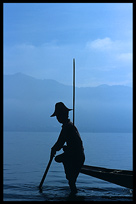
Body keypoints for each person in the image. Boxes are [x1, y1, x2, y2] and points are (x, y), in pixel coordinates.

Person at [50, 102, 85, 194]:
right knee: (71, 181)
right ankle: (73, 195)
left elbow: (59, 143)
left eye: (58, 116)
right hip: (76, 155)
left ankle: (73, 196)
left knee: (71, 181)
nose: (57, 118)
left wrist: (53, 149)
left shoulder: (68, 127)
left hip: (75, 157)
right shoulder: (69, 126)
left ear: (63, 115)